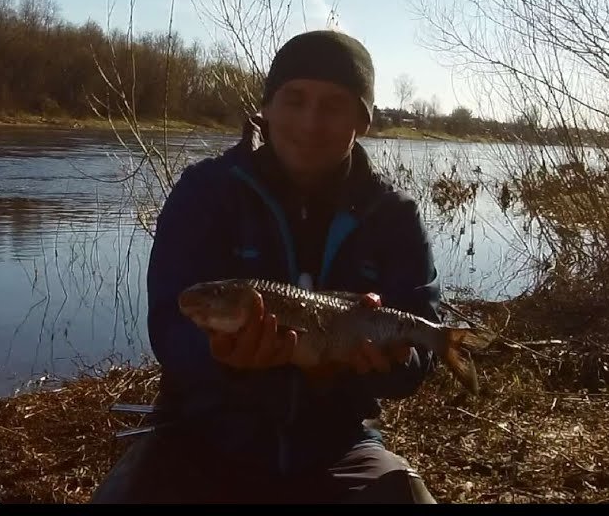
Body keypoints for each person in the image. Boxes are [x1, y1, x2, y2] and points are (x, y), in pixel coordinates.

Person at [91, 29, 441, 504]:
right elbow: (170, 325)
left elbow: (420, 347)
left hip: (338, 444)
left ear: (363, 121)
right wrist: (220, 358)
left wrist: (388, 364)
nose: (310, 123)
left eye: (334, 106)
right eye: (294, 99)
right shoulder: (205, 192)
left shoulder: (394, 215)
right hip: (200, 434)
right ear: (266, 107)